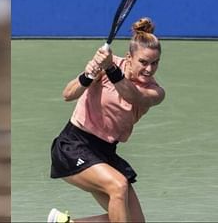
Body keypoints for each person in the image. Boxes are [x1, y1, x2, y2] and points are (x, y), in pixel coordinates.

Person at [47, 17, 165, 223]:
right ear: (129, 57)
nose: (149, 69)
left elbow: (133, 96)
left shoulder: (154, 91)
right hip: (74, 145)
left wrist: (110, 69)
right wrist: (89, 73)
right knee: (118, 185)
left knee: (133, 220)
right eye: (143, 62)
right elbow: (67, 94)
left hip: (105, 152)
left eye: (155, 63)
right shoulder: (106, 66)